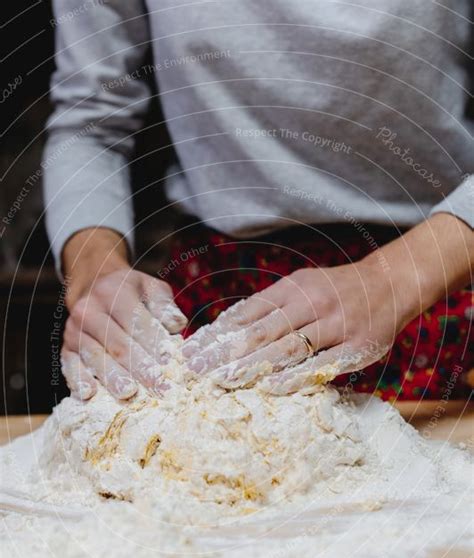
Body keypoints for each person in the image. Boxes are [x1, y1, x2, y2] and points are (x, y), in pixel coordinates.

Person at [43, 1, 473, 402]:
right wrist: (94, 270)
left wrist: (393, 279)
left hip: (439, 272)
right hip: (222, 299)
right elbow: (90, 125)